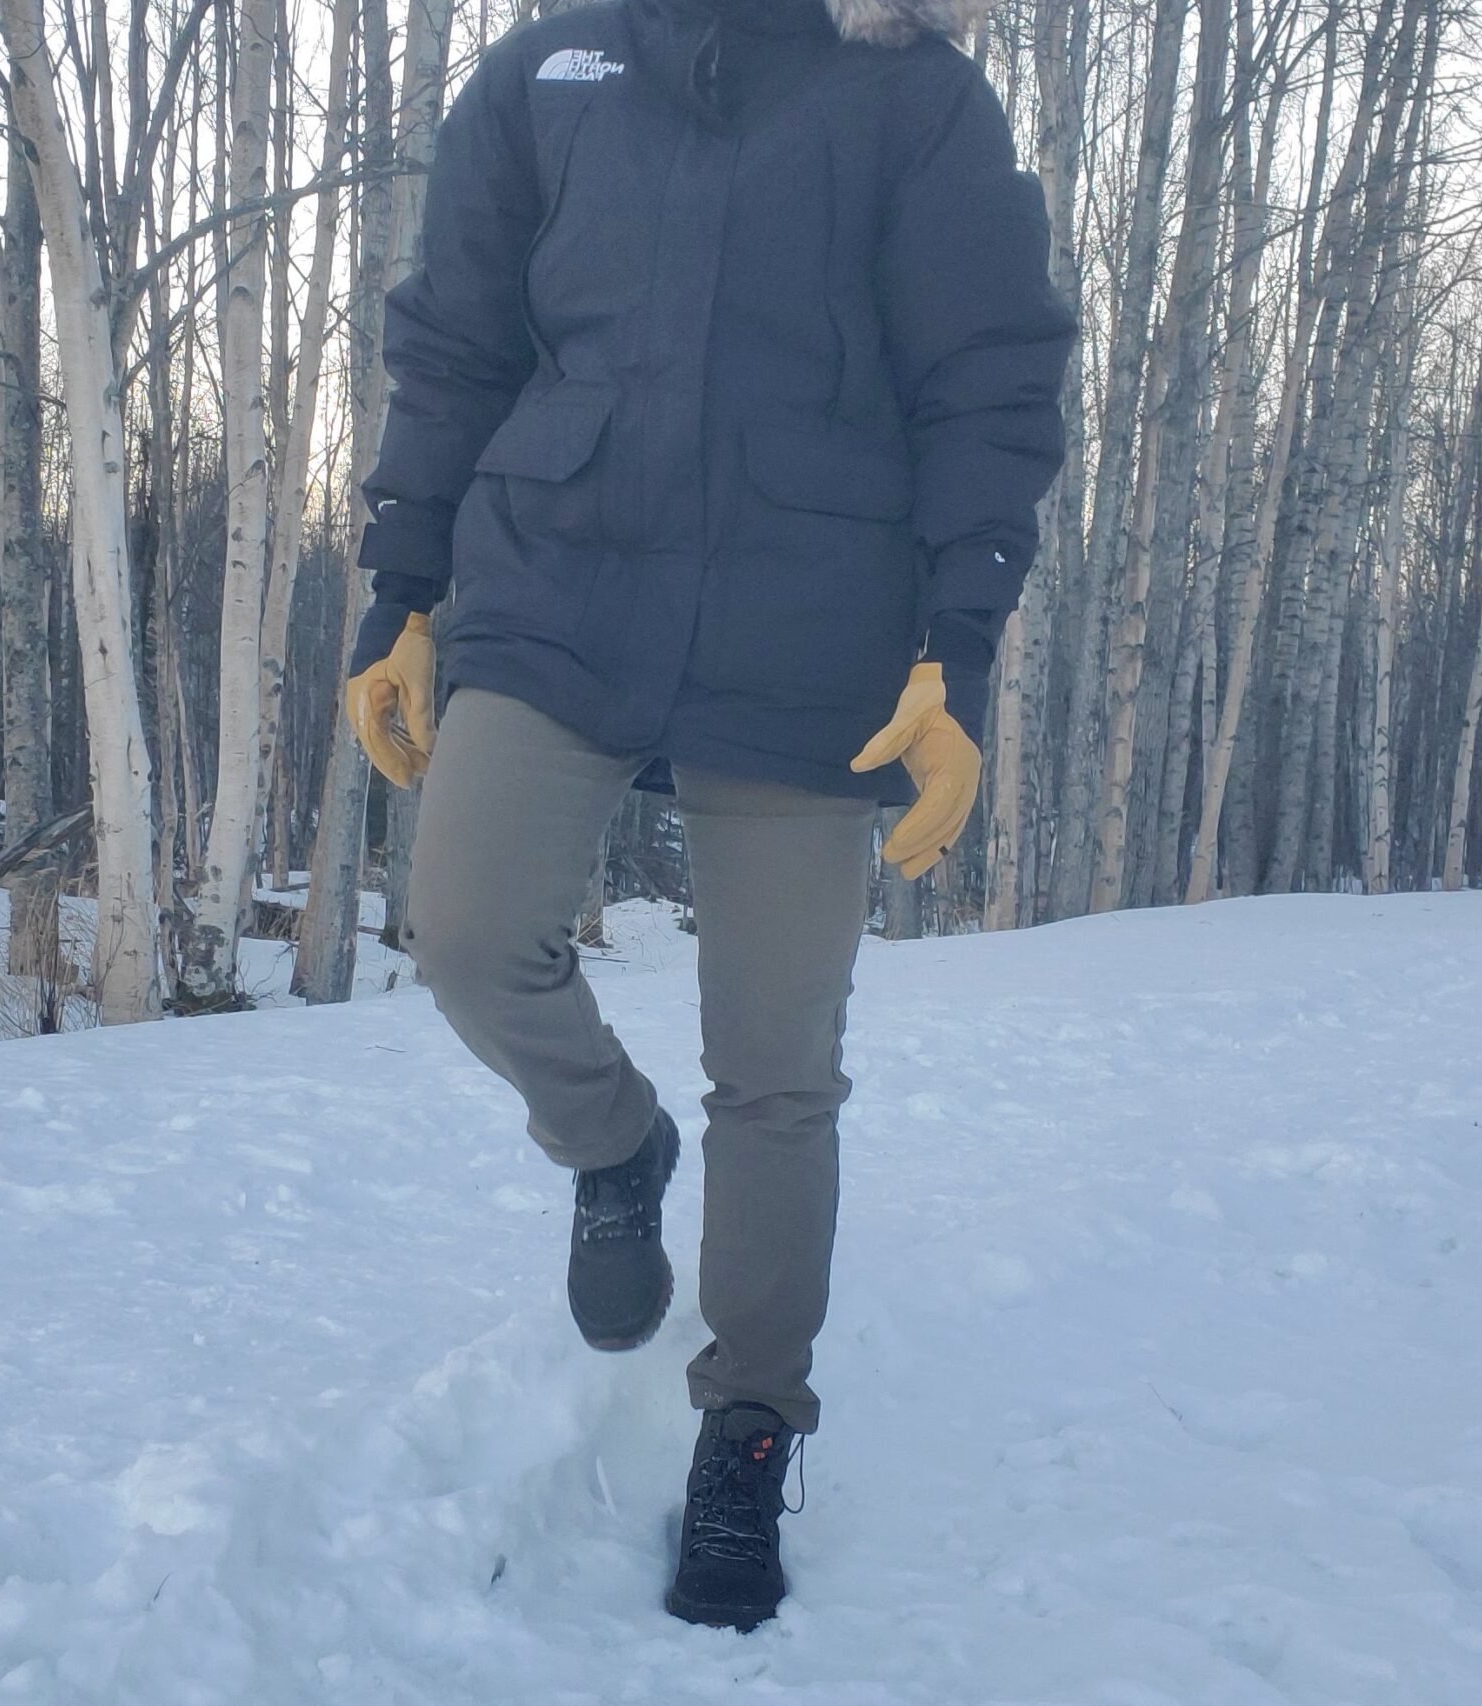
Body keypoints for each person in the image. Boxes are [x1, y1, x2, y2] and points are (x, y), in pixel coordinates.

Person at [342, 0, 1074, 1632]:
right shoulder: (550, 68)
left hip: (812, 623)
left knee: (779, 1062)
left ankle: (747, 1423)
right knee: (465, 927)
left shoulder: (913, 94)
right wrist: (405, 588)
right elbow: (456, 333)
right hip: (557, 576)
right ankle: (614, 1142)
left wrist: (958, 648)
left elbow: (990, 375)